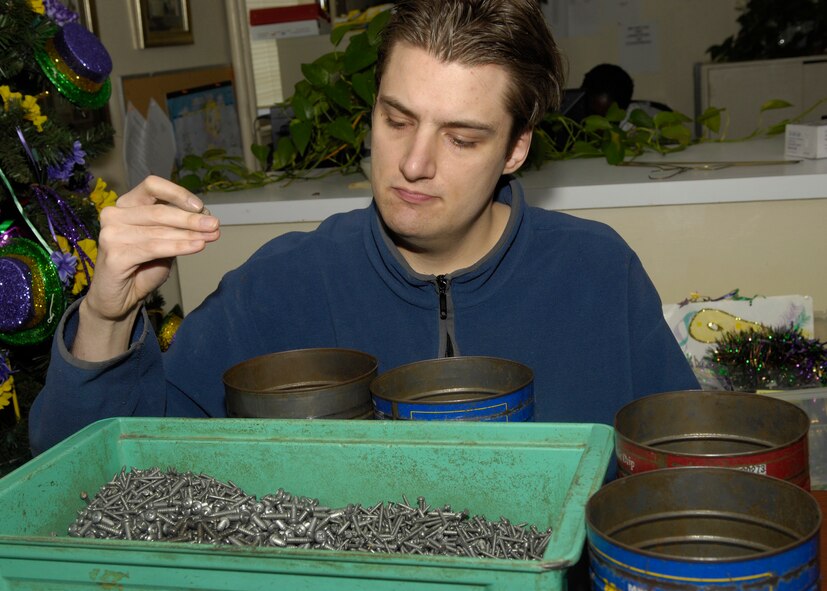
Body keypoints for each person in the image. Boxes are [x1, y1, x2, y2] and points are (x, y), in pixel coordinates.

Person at [29, 0, 698, 454]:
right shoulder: (279, 284)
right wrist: (108, 315)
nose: (413, 163)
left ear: (516, 149)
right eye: (397, 119)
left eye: (461, 139)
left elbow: (689, 475)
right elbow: (107, 468)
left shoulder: (597, 272)